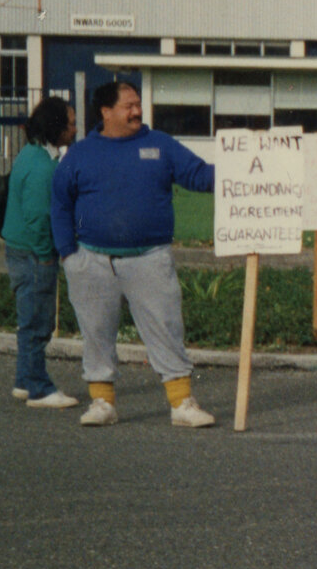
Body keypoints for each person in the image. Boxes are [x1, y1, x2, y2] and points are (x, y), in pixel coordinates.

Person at [50, 80, 216, 428]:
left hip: (150, 259)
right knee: (96, 333)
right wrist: (69, 255)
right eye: (129, 105)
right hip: (91, 261)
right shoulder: (80, 154)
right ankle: (102, 403)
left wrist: (246, 170)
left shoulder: (160, 145)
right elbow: (60, 204)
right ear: (106, 112)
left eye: (138, 104)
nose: (137, 111)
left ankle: (182, 404)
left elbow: (200, 176)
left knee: (166, 328)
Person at [1, 96, 79, 409]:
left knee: (29, 320)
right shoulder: (42, 168)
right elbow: (38, 216)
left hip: (20, 248)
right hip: (35, 253)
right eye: (70, 123)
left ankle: (24, 379)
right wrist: (48, 253)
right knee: (38, 322)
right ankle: (38, 388)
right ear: (56, 126)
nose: (74, 129)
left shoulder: (31, 154)